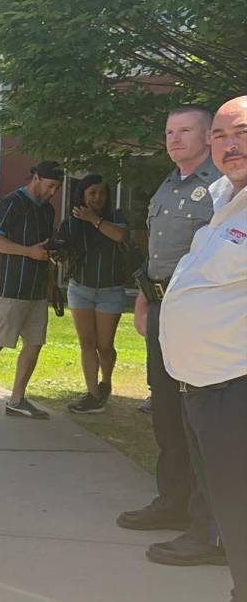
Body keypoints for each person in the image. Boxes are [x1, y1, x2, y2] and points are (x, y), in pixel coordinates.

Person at [118, 107, 224, 569]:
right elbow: (159, 250)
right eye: (169, 132)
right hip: (162, 308)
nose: (174, 139)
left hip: (200, 314)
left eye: (185, 131)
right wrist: (144, 295)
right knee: (165, 409)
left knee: (200, 416)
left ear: (209, 137)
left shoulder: (222, 186)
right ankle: (173, 501)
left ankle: (208, 525)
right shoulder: (168, 184)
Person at [159, 96, 247, 601]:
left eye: (242, 132)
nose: (229, 144)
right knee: (228, 507)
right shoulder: (222, 199)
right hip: (203, 387)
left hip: (235, 388)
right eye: (220, 135)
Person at [0, 161, 62, 419]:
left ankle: (17, 400)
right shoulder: (11, 203)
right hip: (7, 288)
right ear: (36, 178)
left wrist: (51, 277)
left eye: (57, 188)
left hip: (36, 290)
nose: (53, 192)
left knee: (34, 344)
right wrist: (28, 252)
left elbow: (42, 248)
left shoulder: (47, 210)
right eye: (50, 186)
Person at [60, 175, 129, 414]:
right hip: (80, 289)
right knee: (87, 344)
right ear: (82, 195)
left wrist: (93, 219)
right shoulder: (71, 223)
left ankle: (105, 382)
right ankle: (92, 395)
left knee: (105, 346)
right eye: (92, 193)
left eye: (102, 193)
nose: (97, 197)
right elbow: (62, 250)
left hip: (110, 290)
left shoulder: (116, 217)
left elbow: (120, 236)